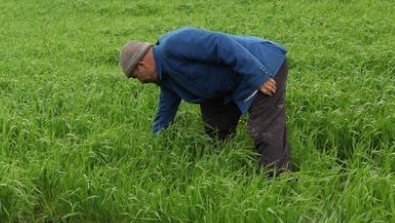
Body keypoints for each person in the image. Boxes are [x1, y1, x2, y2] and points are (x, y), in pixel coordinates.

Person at [120, 26, 292, 175]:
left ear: (141, 65)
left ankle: (277, 178)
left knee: (263, 128)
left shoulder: (174, 43)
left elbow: (221, 44)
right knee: (215, 128)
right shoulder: (165, 77)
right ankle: (228, 164)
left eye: (136, 76)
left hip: (260, 65)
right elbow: (166, 109)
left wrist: (258, 75)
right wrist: (156, 140)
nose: (140, 81)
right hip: (229, 84)